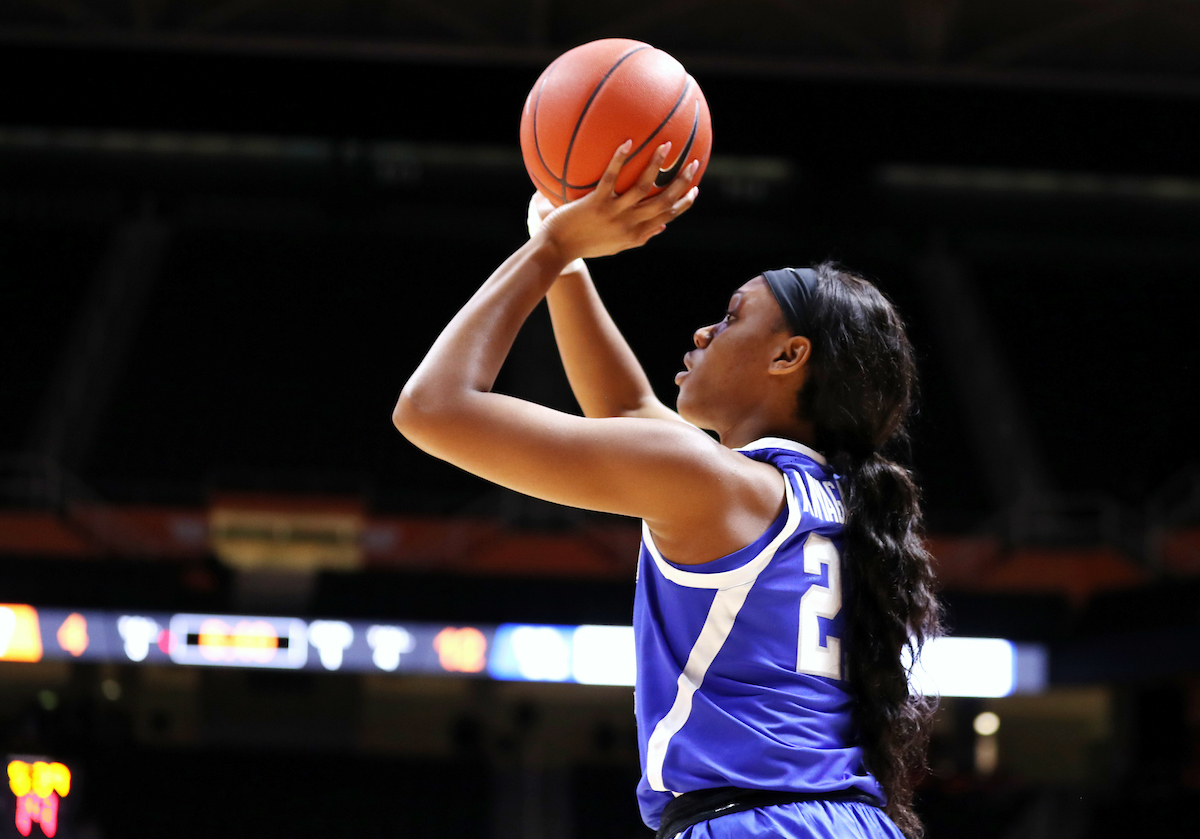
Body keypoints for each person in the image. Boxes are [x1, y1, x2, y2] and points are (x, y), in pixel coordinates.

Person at [393, 140, 940, 839]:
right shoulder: (827, 498)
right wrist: (562, 254)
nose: (705, 330)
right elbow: (624, 411)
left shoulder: (716, 483)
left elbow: (430, 407)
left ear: (788, 356)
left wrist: (554, 245)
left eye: (734, 315)